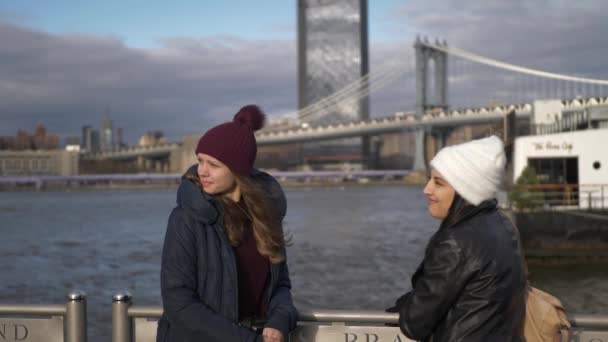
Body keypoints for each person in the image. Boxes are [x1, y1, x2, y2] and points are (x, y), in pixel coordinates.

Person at [157, 105, 298, 342]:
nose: (202, 171)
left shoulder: (266, 217)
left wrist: (280, 321)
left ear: (238, 170)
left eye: (213, 165)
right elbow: (178, 303)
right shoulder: (186, 219)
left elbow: (281, 286)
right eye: (200, 161)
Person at [386, 135, 527, 342]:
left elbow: (414, 324)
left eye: (439, 183)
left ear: (465, 190)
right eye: (430, 179)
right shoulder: (503, 224)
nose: (427, 189)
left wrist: (402, 306)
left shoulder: (455, 243)